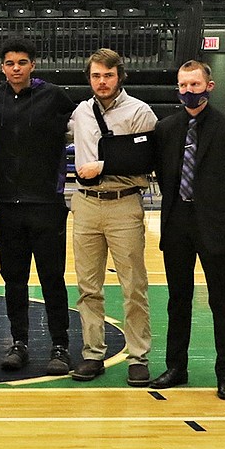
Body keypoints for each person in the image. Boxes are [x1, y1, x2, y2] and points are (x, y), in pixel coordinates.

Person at [0, 38, 75, 376]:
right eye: (10, 63)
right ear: (2, 67)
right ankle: (19, 343)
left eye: (22, 62)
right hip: (6, 207)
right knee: (13, 280)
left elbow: (82, 127)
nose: (16, 68)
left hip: (47, 204)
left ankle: (60, 345)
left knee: (52, 279)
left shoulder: (55, 96)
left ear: (33, 65)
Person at [148, 60, 225, 401]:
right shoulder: (166, 128)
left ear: (210, 86)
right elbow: (163, 173)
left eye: (195, 85)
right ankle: (177, 367)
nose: (189, 91)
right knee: (178, 299)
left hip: (214, 224)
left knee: (221, 299)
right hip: (177, 223)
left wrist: (215, 206)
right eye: (183, 85)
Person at [68, 49, 157, 386]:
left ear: (120, 76)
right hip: (86, 204)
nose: (101, 81)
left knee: (133, 285)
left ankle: (138, 355)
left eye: (107, 75)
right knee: (88, 286)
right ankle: (93, 353)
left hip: (124, 203)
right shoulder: (81, 111)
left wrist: (103, 166)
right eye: (95, 75)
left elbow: (145, 159)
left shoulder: (140, 112)